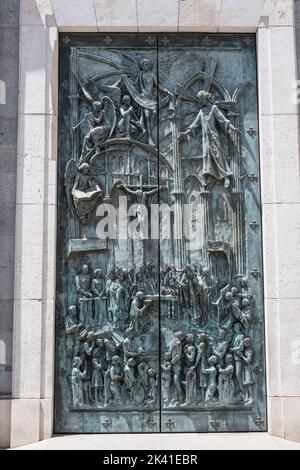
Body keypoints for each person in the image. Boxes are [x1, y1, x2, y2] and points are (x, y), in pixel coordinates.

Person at [180, 90, 240, 189]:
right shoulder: (201, 111)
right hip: (205, 139)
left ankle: (226, 177)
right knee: (206, 156)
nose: (199, 101)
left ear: (205, 98)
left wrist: (233, 128)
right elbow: (195, 124)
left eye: (200, 98)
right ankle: (207, 176)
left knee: (217, 155)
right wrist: (185, 133)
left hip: (213, 137)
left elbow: (223, 120)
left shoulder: (213, 108)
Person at [238, 338, 255, 405]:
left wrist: (242, 356)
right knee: (245, 383)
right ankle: (247, 397)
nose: (245, 344)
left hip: (248, 368)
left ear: (249, 343)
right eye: (244, 343)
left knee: (249, 383)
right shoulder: (245, 350)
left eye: (246, 343)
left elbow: (248, 361)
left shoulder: (250, 351)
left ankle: (252, 398)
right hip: (244, 368)